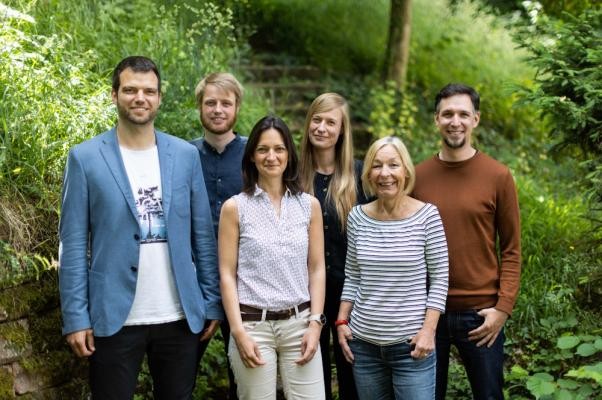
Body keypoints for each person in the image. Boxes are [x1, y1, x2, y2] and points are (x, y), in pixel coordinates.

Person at [58, 56, 222, 399]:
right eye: (130, 89)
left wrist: (211, 300)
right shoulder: (85, 158)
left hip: (179, 315)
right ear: (114, 94)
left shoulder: (184, 155)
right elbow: (72, 244)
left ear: (159, 98)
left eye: (149, 91)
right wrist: (76, 317)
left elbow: (202, 235)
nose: (140, 98)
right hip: (113, 317)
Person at [412, 83, 521, 400]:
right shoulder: (416, 177)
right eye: (447, 114)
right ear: (436, 119)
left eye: (462, 114)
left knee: (489, 396)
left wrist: (503, 308)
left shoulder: (498, 176)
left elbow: (511, 249)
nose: (454, 121)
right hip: (428, 313)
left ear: (476, 119)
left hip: (481, 314)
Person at [219, 115, 327, 400]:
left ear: (289, 155)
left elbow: (316, 268)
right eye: (263, 149)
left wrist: (316, 323)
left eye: (279, 149)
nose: (271, 156)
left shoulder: (309, 206)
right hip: (253, 326)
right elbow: (227, 274)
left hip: (300, 323)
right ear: (252, 156)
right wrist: (238, 332)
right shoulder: (235, 208)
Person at [337, 136, 449, 400]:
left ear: (406, 171)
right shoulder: (357, 217)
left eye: (393, 165)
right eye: (376, 166)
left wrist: (428, 331)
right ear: (368, 174)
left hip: (411, 347)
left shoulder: (427, 216)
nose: (384, 174)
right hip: (363, 347)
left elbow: (440, 279)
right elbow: (353, 276)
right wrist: (341, 321)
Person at [299, 92, 366, 400]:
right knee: (312, 373)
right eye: (317, 119)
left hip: (350, 293)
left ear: (342, 131)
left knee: (352, 372)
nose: (322, 128)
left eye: (330, 122)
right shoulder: (292, 176)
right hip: (303, 290)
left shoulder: (360, 176)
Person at [190, 72, 246, 399]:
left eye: (226, 103)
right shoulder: (182, 156)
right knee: (181, 374)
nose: (217, 109)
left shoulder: (254, 155)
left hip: (246, 283)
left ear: (237, 107)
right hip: (195, 282)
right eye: (210, 102)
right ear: (199, 107)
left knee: (244, 375)